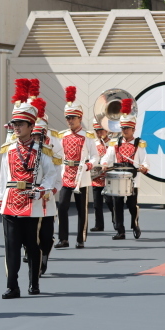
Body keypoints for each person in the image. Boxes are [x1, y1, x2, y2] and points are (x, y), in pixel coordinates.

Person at [0, 78, 56, 299]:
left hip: (32, 202)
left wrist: (41, 190)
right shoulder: (8, 148)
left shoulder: (44, 150)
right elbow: (3, 177)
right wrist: (1, 198)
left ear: (32, 127)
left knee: (32, 245)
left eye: (21, 124)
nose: (16, 127)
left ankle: (34, 281)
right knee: (11, 247)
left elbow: (52, 175)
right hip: (11, 200)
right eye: (15, 124)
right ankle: (12, 286)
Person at [55, 86, 99, 249]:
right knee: (62, 208)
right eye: (68, 118)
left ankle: (81, 238)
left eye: (73, 118)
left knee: (82, 210)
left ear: (80, 118)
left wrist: (89, 165)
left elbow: (96, 156)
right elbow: (58, 155)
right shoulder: (62, 135)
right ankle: (63, 239)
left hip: (82, 176)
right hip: (66, 174)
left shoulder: (88, 137)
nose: (70, 121)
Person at [101, 98, 149, 240]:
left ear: (133, 129)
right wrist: (104, 163)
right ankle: (120, 230)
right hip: (117, 178)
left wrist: (145, 167)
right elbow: (107, 157)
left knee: (132, 205)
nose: (124, 131)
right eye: (123, 128)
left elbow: (145, 161)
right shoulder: (115, 143)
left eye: (127, 128)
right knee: (117, 205)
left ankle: (135, 224)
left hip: (133, 179)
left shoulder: (139, 144)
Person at [30, 95, 62, 275]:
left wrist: (52, 190)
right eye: (35, 135)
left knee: (47, 236)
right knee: (30, 236)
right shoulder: (27, 152)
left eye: (40, 135)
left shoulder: (52, 153)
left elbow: (58, 178)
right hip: (30, 202)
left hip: (47, 201)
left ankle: (44, 258)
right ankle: (32, 258)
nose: (37, 138)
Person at [90, 118, 116, 232]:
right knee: (97, 204)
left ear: (106, 130)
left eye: (101, 130)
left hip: (109, 176)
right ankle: (99, 224)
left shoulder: (112, 143)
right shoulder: (94, 143)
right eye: (97, 131)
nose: (99, 133)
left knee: (110, 201)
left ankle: (116, 222)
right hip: (96, 177)